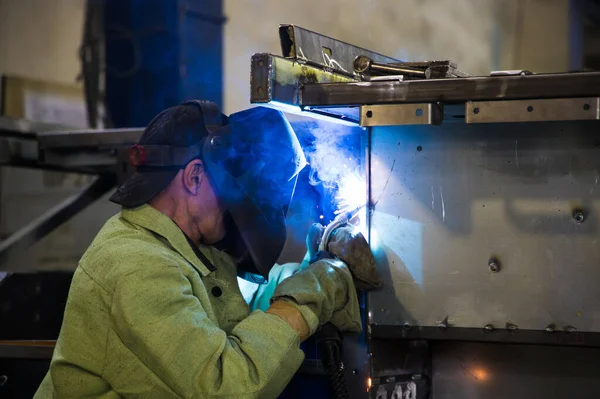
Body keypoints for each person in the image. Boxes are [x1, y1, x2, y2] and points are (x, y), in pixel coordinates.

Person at [34, 100, 376, 398]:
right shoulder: (137, 265)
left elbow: (233, 311)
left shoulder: (190, 248)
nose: (236, 212)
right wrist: (307, 299)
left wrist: (312, 269)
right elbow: (228, 386)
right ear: (194, 177)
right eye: (234, 194)